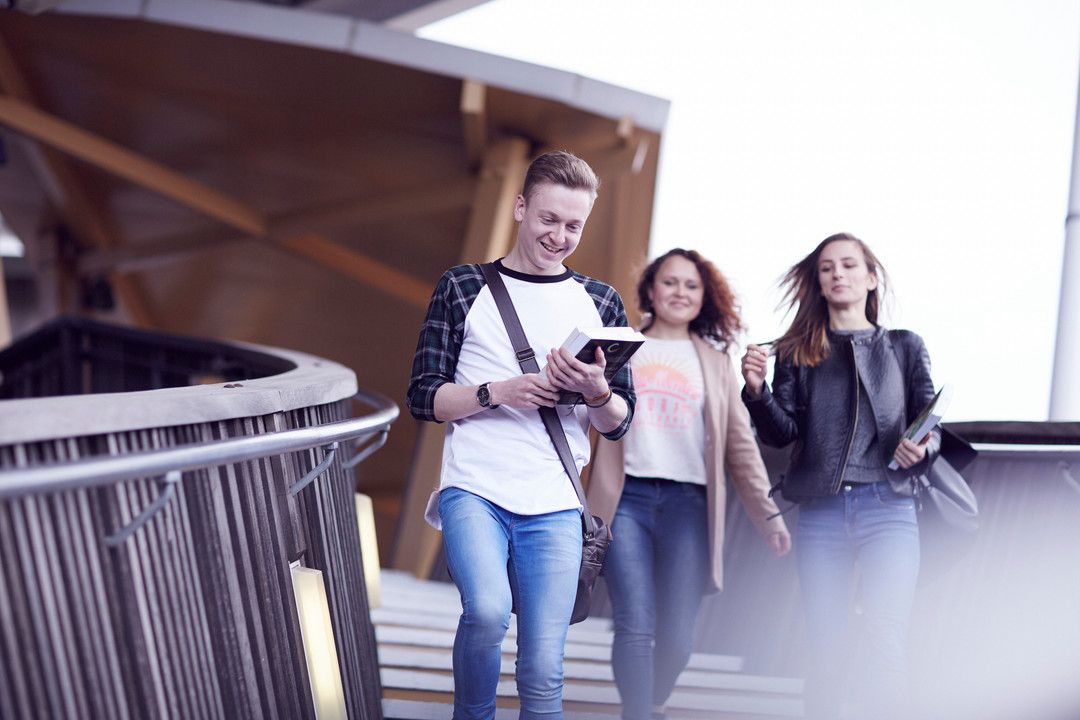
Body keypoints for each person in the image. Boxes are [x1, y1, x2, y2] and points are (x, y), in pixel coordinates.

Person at [406, 150, 636, 720]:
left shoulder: (601, 302)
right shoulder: (463, 286)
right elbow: (423, 397)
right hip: (475, 487)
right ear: (519, 207)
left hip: (556, 499)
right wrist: (498, 392)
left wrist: (596, 391)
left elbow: (620, 420)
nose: (558, 235)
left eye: (573, 226)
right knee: (485, 612)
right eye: (548, 219)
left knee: (542, 668)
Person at [739, 232, 939, 720]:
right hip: (822, 513)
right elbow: (781, 434)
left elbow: (930, 422)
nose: (838, 274)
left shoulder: (905, 346)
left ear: (871, 278)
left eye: (849, 265)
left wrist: (923, 449)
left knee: (884, 635)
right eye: (827, 268)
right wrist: (756, 390)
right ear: (819, 282)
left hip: (888, 508)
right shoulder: (795, 350)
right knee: (825, 644)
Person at [587, 248, 792, 720]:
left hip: (688, 506)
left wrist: (769, 516)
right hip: (627, 500)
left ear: (704, 297)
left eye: (691, 285)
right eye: (670, 282)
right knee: (635, 624)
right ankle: (636, 713)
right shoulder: (619, 348)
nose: (680, 292)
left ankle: (652, 702)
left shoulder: (716, 363)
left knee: (678, 636)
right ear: (651, 291)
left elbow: (741, 448)